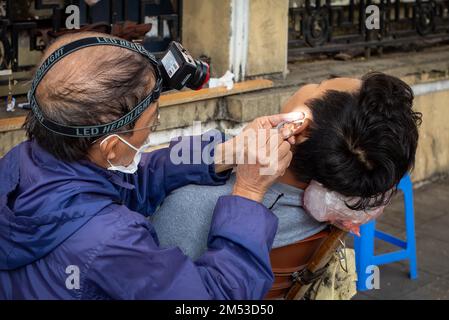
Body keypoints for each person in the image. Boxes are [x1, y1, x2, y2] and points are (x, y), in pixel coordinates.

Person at [0, 32, 305, 299]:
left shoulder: (23, 162)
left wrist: (223, 152)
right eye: (152, 121)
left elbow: (127, 182)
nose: (153, 129)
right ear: (111, 146)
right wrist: (249, 193)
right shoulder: (112, 242)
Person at [151, 72, 422, 260]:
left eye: (318, 84)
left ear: (299, 127)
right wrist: (229, 150)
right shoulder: (328, 210)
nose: (306, 85)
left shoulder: (190, 207)